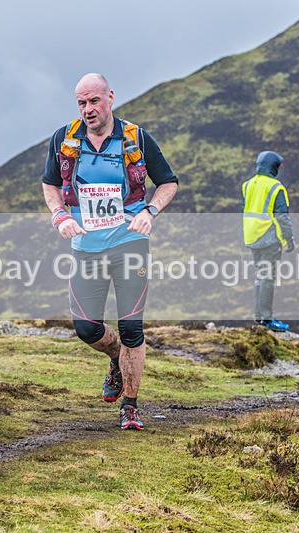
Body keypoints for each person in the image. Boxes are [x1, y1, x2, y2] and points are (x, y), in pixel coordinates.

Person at [42, 73, 178, 430]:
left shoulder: (135, 137)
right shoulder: (64, 139)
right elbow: (50, 184)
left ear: (110, 98)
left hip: (129, 241)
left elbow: (168, 181)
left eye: (94, 101)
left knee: (131, 326)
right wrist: (59, 215)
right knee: (86, 328)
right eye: (82, 103)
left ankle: (130, 406)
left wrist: (150, 211)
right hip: (86, 246)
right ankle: (117, 358)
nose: (88, 109)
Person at [241, 151, 295, 332]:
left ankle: (260, 318)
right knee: (267, 278)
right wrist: (289, 238)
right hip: (269, 238)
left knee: (260, 277)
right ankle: (267, 319)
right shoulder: (275, 187)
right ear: (273, 166)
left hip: (252, 236)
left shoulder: (248, 185)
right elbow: (283, 217)